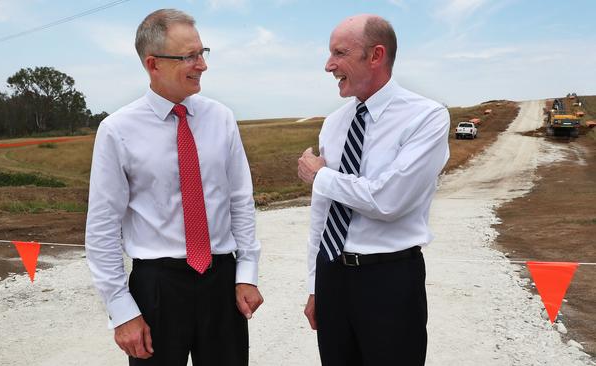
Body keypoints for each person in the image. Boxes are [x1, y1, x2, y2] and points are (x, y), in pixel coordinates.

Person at [85, 9, 263, 366]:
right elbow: (103, 226)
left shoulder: (221, 118)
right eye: (190, 56)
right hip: (157, 288)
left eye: (202, 53)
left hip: (221, 281)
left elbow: (240, 202)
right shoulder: (117, 130)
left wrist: (247, 275)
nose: (202, 65)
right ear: (154, 64)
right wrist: (122, 311)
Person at [297, 14, 450, 365]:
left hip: (390, 281)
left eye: (339, 53)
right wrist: (314, 285)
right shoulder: (334, 123)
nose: (328, 65)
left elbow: (388, 200)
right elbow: (322, 214)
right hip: (332, 276)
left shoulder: (426, 117)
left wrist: (321, 177)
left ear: (376, 56)